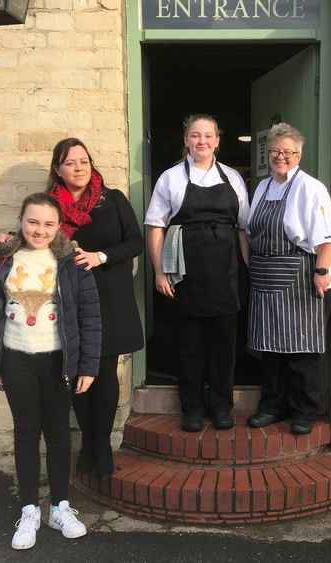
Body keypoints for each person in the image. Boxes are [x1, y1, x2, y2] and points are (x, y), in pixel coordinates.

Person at [0, 192, 101, 550]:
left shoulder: (72, 261)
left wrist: (88, 365)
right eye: (32, 222)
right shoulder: (4, 257)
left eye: (48, 223)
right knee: (26, 431)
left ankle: (60, 506)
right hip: (16, 359)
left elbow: (90, 316)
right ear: (21, 221)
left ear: (59, 227)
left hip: (57, 360)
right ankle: (29, 509)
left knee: (58, 432)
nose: (39, 230)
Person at [46, 138, 145, 479]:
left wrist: (100, 257)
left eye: (84, 160)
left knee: (103, 374)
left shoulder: (112, 200)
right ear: (57, 169)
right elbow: (33, 239)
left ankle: (98, 447)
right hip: (70, 301)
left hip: (110, 299)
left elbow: (135, 242)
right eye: (70, 162)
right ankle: (90, 442)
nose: (79, 167)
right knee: (77, 372)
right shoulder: (49, 208)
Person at [145, 114, 250, 432]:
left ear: (218, 140)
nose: (201, 141)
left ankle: (221, 407)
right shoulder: (171, 178)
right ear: (186, 140)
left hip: (226, 272)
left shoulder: (232, 177)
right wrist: (159, 272)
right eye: (195, 135)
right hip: (185, 273)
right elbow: (155, 227)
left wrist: (249, 269)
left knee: (224, 347)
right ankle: (191, 408)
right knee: (189, 346)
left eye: (207, 135)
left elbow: (243, 229)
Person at [246, 122, 331, 435]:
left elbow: (329, 238)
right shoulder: (262, 187)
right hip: (265, 278)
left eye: (288, 152)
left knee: (303, 352)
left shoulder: (310, 187)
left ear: (299, 155)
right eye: (275, 151)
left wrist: (321, 272)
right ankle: (272, 406)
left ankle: (304, 411)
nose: (281, 157)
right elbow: (249, 230)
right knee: (271, 351)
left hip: (304, 277)